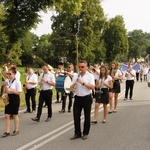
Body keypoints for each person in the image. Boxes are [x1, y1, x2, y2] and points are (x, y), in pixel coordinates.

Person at [70, 60, 95, 140]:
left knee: (87, 116)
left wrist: (82, 83)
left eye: (82, 67)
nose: (80, 68)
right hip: (77, 97)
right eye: (79, 67)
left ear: (86, 67)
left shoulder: (90, 76)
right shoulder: (76, 75)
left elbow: (92, 87)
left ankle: (85, 133)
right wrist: (73, 85)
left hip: (86, 97)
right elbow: (71, 87)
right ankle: (77, 133)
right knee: (76, 116)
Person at [2, 67, 22, 137]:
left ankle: (16, 130)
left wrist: (11, 90)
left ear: (14, 74)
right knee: (6, 115)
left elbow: (19, 92)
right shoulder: (7, 80)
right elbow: (4, 90)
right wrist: (4, 88)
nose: (8, 75)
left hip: (15, 98)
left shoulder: (17, 81)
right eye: (8, 74)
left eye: (10, 74)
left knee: (14, 115)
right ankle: (7, 131)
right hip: (8, 98)